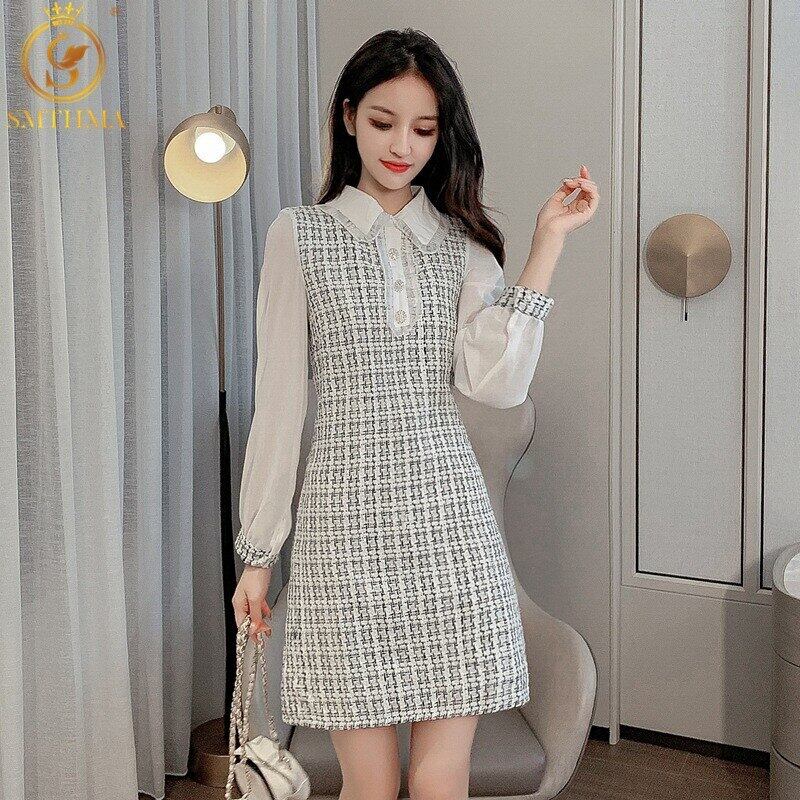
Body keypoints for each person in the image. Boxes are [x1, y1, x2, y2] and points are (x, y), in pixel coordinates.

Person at [231, 27, 598, 800]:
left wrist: (547, 244)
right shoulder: (299, 236)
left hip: (450, 531)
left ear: (442, 135)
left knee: (440, 780)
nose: (402, 145)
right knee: (368, 785)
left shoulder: (464, 248)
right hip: (343, 535)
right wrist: (258, 552)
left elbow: (495, 384)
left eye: (424, 129)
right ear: (347, 116)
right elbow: (280, 403)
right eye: (383, 121)